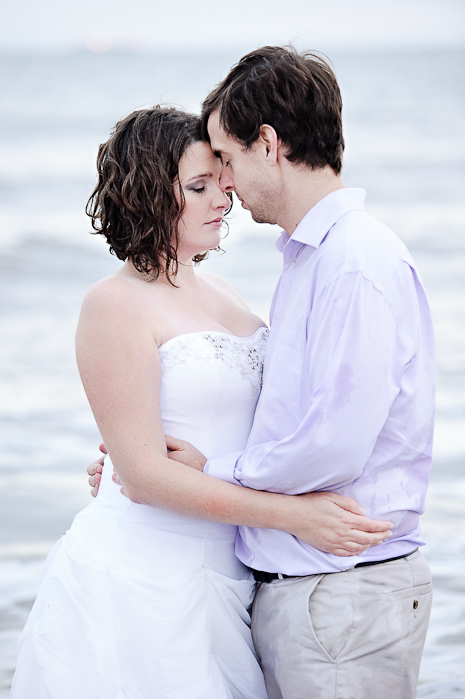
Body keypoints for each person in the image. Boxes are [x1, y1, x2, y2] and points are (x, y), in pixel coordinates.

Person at [11, 106, 392, 699]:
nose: (225, 198)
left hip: (231, 572)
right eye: (199, 186)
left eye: (222, 178)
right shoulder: (114, 303)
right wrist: (297, 516)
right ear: (146, 195)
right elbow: (141, 476)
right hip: (143, 577)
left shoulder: (220, 287)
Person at [100, 47, 435, 699]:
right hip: (297, 590)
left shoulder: (351, 262)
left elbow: (333, 446)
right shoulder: (308, 260)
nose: (224, 184)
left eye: (223, 159)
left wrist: (206, 470)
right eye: (203, 177)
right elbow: (263, 407)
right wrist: (136, 449)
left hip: (337, 589)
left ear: (268, 144)